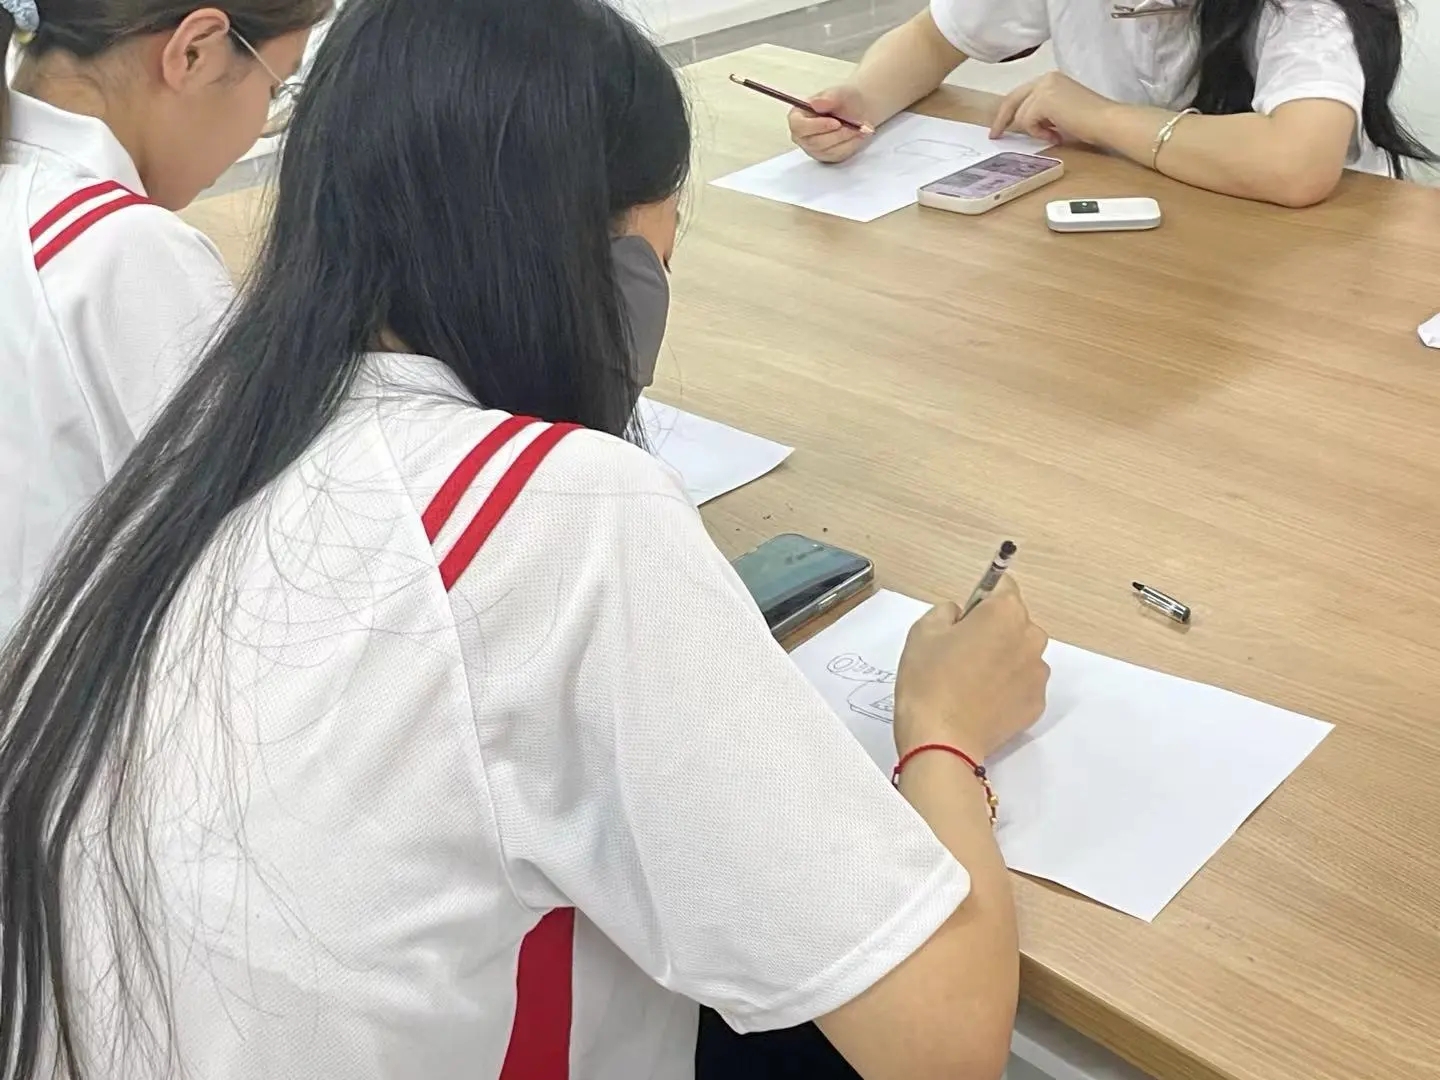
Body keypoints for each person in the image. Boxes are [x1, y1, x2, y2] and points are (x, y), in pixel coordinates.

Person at [0, 0, 1052, 1078]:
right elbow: (943, 1047)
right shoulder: (567, 512)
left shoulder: (200, 433)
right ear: (593, 262)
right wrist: (944, 732)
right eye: (659, 257)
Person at [0, 0, 324, 637]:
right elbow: (257, 554)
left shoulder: (28, 210)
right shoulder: (123, 252)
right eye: (275, 88)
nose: (263, 123)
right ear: (195, 51)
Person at [788, 0, 1434, 208]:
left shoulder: (1306, 11)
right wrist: (861, 98)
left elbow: (1296, 165)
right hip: (1137, 221)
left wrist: (1098, 116)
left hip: (1300, 251)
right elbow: (932, 39)